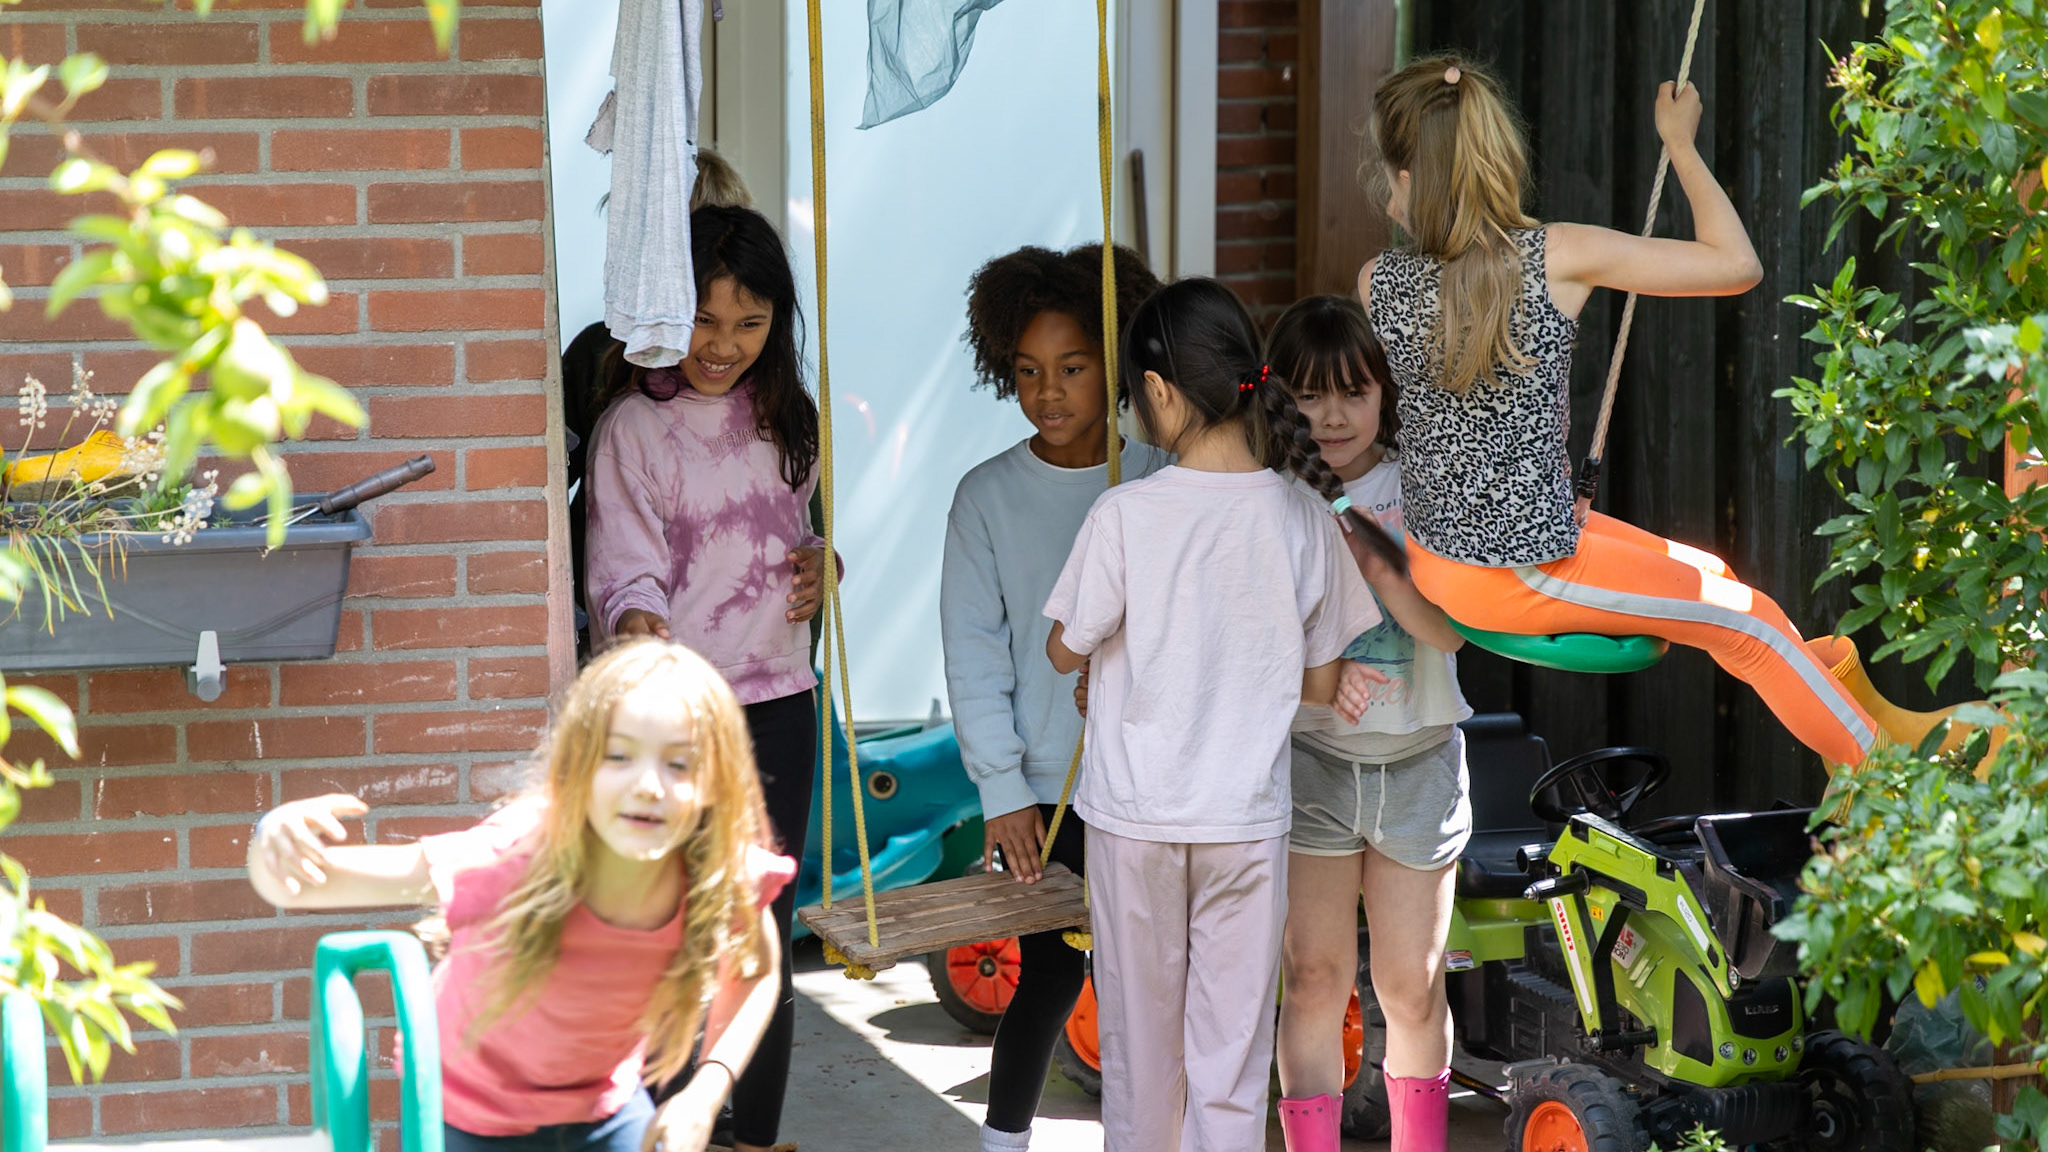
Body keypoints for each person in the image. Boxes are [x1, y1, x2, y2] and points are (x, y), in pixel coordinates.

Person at [1358, 55, 1980, 769]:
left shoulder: (1378, 281)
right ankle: (1892, 779)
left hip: (1449, 557)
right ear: (1495, 156)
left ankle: (1861, 719)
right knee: (1753, 625)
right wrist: (1680, 143)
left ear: (1408, 177)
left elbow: (1458, 356)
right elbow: (1736, 265)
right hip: (1517, 569)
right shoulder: (1557, 255)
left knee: (1713, 573)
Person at [1043, 276, 1394, 1152]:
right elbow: (1318, 685)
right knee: (1230, 1063)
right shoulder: (1305, 516)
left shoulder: (1125, 514)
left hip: (1136, 821)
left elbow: (1062, 650)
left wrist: (1111, 660)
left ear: (1159, 393)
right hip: (1246, 822)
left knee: (1140, 1056)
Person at [246, 640, 794, 1152]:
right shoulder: (516, 857)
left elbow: (755, 971)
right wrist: (274, 840)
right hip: (470, 1110)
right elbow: (300, 886)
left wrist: (705, 1091)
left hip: (601, 1106)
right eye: (618, 756)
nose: (649, 786)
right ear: (577, 768)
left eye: (679, 764)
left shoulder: (713, 871)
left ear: (715, 784)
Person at [583, 204, 825, 1152]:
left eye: (749, 323)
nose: (723, 345)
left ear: (777, 322)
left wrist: (825, 565)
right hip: (674, 718)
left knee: (761, 937)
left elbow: (798, 538)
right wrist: (635, 619)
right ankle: (669, 1136)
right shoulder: (632, 429)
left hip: (781, 706)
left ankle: (755, 1141)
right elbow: (624, 566)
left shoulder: (790, 419)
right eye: (703, 319)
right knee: (672, 937)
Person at [941, 243, 1169, 1152]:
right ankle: (1003, 1141)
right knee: (1047, 975)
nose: (1049, 392)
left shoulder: (1165, 477)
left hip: (1154, 781)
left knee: (1147, 983)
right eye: (1029, 370)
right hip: (1045, 791)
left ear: (1116, 364)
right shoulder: (985, 497)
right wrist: (1002, 791)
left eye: (1073, 368)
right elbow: (973, 654)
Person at [1264, 297, 1474, 1152]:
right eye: (1309, 395)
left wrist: (1380, 568)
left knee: (1411, 986)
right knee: (1314, 980)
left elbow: (1450, 632)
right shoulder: (1267, 496)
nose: (1333, 416)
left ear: (1385, 393)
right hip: (1311, 765)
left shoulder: (1420, 485)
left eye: (1353, 392)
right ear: (1278, 399)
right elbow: (1242, 641)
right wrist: (1321, 672)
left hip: (1417, 763)